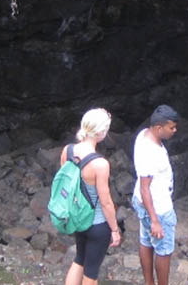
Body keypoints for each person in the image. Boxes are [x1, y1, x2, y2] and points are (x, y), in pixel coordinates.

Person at [62, 108, 122, 285]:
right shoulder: (100, 164)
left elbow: (67, 183)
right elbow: (105, 202)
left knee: (79, 259)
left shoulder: (68, 151)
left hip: (78, 219)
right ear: (102, 132)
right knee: (91, 271)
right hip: (97, 224)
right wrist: (114, 230)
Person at [132, 104, 180, 285]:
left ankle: (149, 283)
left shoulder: (143, 134)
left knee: (146, 241)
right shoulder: (151, 152)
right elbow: (146, 187)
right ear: (159, 127)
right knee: (164, 250)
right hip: (157, 207)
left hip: (142, 201)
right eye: (171, 127)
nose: (174, 131)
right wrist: (155, 220)